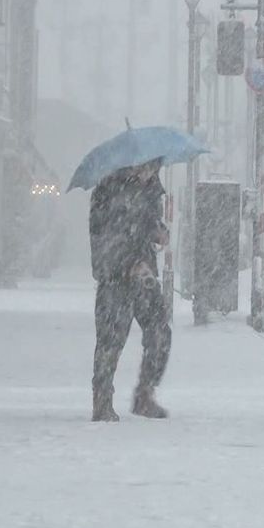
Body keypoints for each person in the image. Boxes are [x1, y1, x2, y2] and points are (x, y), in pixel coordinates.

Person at [89, 158, 172, 422]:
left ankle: (145, 394)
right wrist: (127, 263)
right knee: (111, 339)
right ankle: (102, 401)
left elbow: (148, 225)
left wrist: (159, 233)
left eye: (155, 168)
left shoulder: (151, 191)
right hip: (114, 276)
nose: (150, 173)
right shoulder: (109, 188)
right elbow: (103, 236)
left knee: (159, 328)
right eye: (147, 167)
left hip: (144, 275)